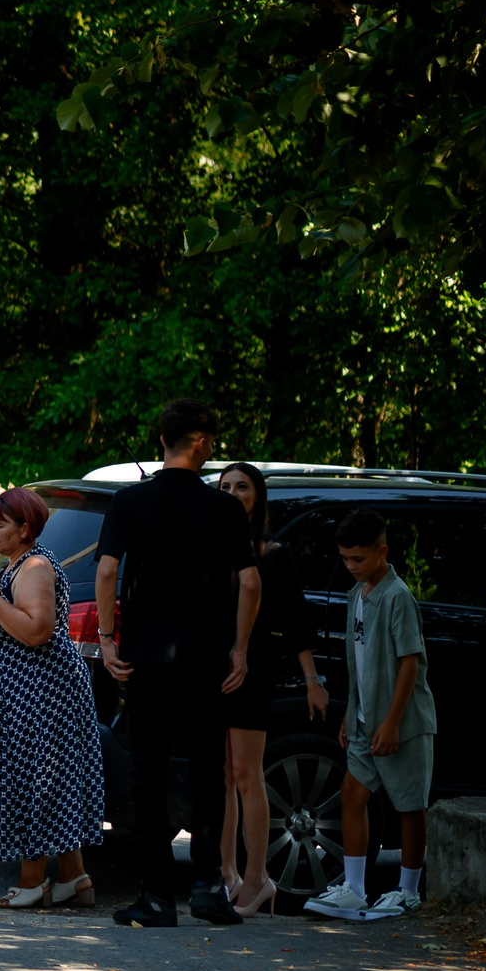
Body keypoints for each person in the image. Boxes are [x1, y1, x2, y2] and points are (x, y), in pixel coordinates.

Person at [94, 398, 261, 929]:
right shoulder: (226, 509)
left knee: (148, 773)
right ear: (201, 443)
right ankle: (211, 888)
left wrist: (107, 638)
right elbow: (251, 583)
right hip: (207, 661)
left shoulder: (129, 502)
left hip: (146, 661)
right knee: (211, 774)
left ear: (161, 441)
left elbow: (104, 573)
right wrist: (239, 648)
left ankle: (158, 895)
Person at [0, 488, 106, 909]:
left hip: (42, 692)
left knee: (38, 780)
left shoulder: (34, 566)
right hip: (24, 690)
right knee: (48, 778)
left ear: (24, 528)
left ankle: (33, 882)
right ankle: (74, 878)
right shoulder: (16, 564)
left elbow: (37, 631)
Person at [306, 510, 434, 921]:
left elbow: (410, 664)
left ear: (382, 552)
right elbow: (356, 659)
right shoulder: (356, 595)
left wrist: (393, 721)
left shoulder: (397, 596)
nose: (350, 567)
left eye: (358, 559)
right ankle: (355, 888)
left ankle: (409, 890)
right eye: (345, 559)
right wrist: (350, 712)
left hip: (402, 724)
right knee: (352, 794)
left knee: (409, 805)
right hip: (363, 720)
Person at [216, 461, 329, 915]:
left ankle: (259, 878)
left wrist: (312, 679)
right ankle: (227, 874)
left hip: (253, 669)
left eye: (241, 486)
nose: (232, 492)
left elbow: (294, 621)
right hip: (214, 670)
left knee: (247, 775)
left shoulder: (273, 553)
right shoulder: (211, 548)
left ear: (257, 496)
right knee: (221, 777)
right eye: (224, 486)